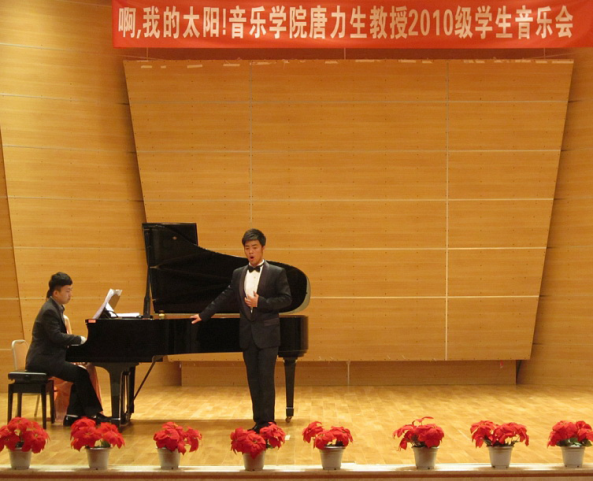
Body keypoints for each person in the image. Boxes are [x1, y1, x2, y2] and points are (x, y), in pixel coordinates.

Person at [191, 229, 292, 432]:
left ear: (263, 248)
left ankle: (269, 424)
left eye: (254, 247)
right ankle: (258, 421)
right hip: (247, 335)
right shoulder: (239, 273)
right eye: (247, 248)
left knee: (266, 380)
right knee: (253, 380)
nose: (251, 252)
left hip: (268, 335)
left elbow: (286, 299)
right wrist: (204, 314)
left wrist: (261, 302)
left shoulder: (276, 272)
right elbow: (225, 296)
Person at [26, 272, 107, 426]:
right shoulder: (49, 310)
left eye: (71, 290)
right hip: (43, 360)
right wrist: (79, 339)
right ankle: (91, 414)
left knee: (80, 373)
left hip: (49, 358)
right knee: (80, 374)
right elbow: (56, 337)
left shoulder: (54, 307)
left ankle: (74, 415)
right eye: (67, 291)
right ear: (56, 293)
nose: (70, 294)